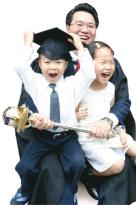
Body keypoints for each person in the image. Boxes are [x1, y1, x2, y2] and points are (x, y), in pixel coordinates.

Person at [15, 3, 136, 205]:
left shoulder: (107, 62)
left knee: (122, 166)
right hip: (58, 136)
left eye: (91, 26)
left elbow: (122, 99)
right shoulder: (49, 62)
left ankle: (94, 177)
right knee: (51, 172)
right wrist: (38, 117)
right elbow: (28, 102)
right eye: (79, 24)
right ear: (68, 28)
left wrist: (108, 121)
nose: (85, 30)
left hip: (97, 135)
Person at [10, 27, 96, 205]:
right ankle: (25, 190)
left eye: (58, 62)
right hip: (42, 136)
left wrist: (80, 47)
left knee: (78, 164)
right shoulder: (34, 82)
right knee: (26, 166)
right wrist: (28, 43)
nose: (52, 67)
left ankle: (71, 191)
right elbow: (19, 67)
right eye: (47, 62)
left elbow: (89, 73)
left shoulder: (73, 85)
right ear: (40, 64)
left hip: (66, 137)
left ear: (65, 65)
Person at [76, 41, 136, 177]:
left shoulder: (111, 88)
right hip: (89, 138)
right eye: (103, 62)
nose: (109, 67)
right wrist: (76, 114)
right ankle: (90, 174)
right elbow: (67, 114)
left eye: (111, 62)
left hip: (109, 133)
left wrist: (119, 130)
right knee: (118, 166)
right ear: (88, 64)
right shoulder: (79, 88)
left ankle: (112, 154)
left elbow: (110, 110)